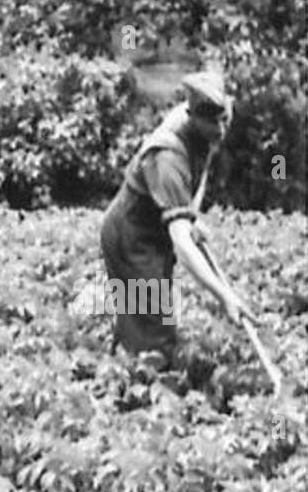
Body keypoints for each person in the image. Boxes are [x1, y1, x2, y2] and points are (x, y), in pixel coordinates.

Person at [99, 71, 254, 366]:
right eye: (212, 123)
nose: (220, 130)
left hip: (154, 230)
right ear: (192, 116)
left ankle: (126, 361)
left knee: (147, 315)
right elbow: (182, 246)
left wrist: (191, 214)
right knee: (154, 331)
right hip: (131, 237)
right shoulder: (167, 157)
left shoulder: (208, 126)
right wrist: (225, 297)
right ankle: (136, 390)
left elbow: (203, 168)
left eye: (224, 120)